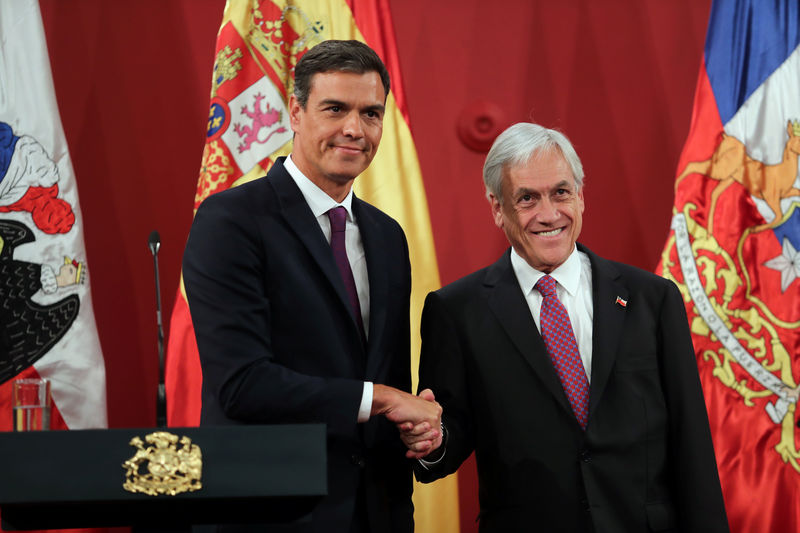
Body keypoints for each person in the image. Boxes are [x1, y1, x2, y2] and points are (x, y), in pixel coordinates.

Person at [407, 123, 729, 532]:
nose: (549, 214)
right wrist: (431, 440)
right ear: (497, 207)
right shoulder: (456, 311)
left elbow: (692, 447)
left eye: (561, 192)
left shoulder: (653, 299)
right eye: (527, 198)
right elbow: (445, 443)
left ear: (580, 195)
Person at [182, 40, 441, 533]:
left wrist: (416, 427)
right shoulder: (231, 220)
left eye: (371, 113)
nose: (354, 129)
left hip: (377, 514)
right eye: (335, 109)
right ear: (295, 113)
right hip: (269, 513)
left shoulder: (388, 236)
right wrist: (383, 399)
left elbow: (385, 373)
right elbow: (242, 385)